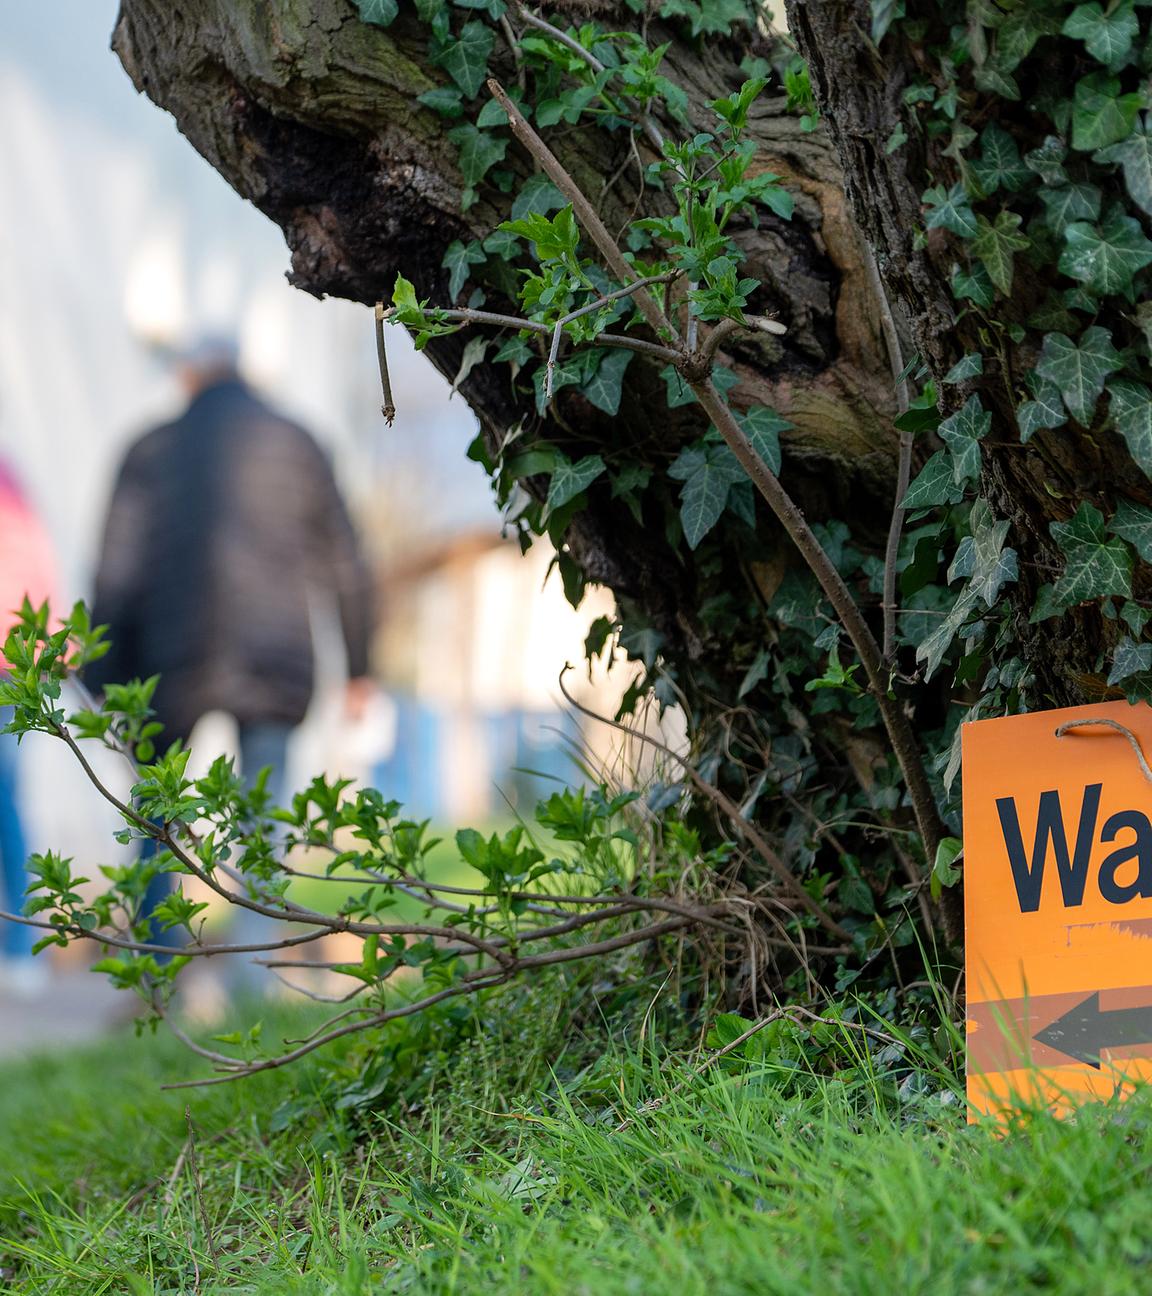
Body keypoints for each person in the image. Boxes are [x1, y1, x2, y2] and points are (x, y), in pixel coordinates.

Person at [87, 337, 376, 976]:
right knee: (262, 820)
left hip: (168, 662)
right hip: (276, 659)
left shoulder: (148, 448)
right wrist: (360, 667)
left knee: (158, 816)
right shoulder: (298, 441)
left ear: (189, 377)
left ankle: (154, 975)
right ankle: (256, 976)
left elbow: (116, 569)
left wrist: (102, 676)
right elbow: (345, 559)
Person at [0, 457, 57, 989]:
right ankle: (21, 950)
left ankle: (21, 947)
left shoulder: (8, 483)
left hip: (8, 662)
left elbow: (33, 569)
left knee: (5, 804)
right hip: (15, 659)